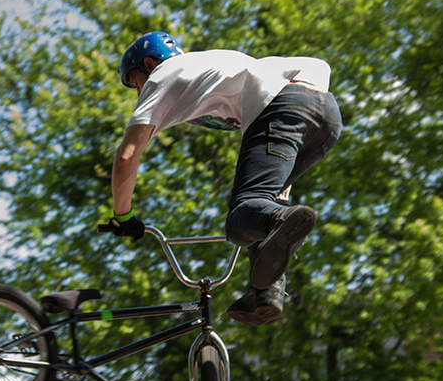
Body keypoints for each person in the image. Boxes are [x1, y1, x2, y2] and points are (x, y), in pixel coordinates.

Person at [103, 32, 342, 326]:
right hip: (326, 114)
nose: (139, 92)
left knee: (241, 216)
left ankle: (275, 223)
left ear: (150, 64)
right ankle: (266, 293)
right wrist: (279, 203)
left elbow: (126, 157)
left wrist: (123, 216)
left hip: (283, 105)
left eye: (136, 82)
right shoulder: (217, 68)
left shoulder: (163, 75)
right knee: (259, 209)